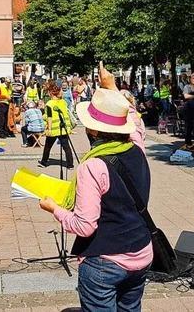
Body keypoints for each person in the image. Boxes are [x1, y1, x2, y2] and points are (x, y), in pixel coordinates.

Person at [39, 83, 152, 311]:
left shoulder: (93, 166)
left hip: (106, 260)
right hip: (142, 252)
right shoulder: (137, 148)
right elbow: (135, 123)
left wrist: (55, 209)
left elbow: (84, 226)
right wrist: (112, 86)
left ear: (93, 130)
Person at [38, 80, 74, 169]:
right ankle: (70, 165)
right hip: (63, 128)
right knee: (66, 147)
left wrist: (49, 129)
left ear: (51, 93)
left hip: (53, 129)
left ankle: (43, 162)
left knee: (47, 147)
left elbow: (49, 117)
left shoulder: (49, 104)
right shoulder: (63, 102)